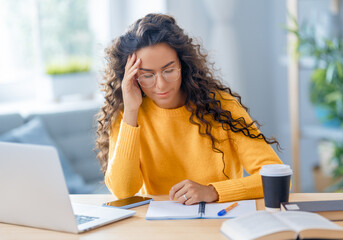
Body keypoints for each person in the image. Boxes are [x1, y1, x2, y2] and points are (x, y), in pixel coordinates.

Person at [95, 13, 283, 205]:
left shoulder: (222, 106)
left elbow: (275, 177)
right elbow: (123, 192)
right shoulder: (127, 115)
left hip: (218, 223)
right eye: (147, 75)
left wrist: (213, 191)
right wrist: (131, 112)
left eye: (169, 70)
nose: (160, 85)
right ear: (132, 77)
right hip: (157, 229)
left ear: (183, 65)